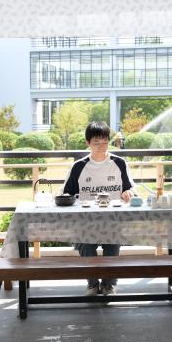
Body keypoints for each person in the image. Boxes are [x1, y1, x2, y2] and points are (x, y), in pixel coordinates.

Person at [62, 121, 133, 295]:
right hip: (85, 220)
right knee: (85, 242)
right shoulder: (79, 166)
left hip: (113, 218)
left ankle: (109, 284)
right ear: (88, 142)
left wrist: (128, 192)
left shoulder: (119, 163)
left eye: (105, 142)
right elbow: (67, 194)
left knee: (112, 243)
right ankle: (92, 283)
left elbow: (129, 188)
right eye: (96, 142)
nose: (101, 146)